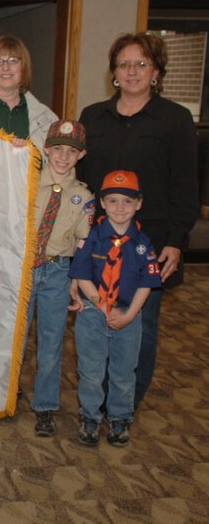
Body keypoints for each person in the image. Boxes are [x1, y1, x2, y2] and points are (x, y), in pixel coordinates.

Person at [77, 33, 199, 410]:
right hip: (99, 242)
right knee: (96, 323)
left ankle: (124, 405)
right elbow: (79, 183)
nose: (132, 72)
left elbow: (185, 186)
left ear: (156, 72)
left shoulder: (175, 119)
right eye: (124, 64)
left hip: (149, 243)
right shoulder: (92, 116)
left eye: (141, 64)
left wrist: (176, 241)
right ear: (113, 72)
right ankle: (96, 400)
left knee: (138, 327)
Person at [69, 170, 162, 447]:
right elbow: (82, 274)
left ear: (139, 204)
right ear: (102, 203)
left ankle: (120, 418)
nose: (120, 208)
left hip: (128, 316)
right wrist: (102, 305)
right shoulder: (93, 237)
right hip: (93, 312)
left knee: (124, 370)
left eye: (127, 201)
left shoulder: (144, 244)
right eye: (112, 201)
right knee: (91, 369)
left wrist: (131, 314)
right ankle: (90, 417)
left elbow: (147, 283)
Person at [27, 120, 95, 437]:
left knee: (52, 342)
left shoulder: (83, 198)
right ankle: (1, 398)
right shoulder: (27, 183)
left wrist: (76, 279)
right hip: (25, 269)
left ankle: (45, 406)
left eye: (71, 151)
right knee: (13, 338)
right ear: (46, 150)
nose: (63, 157)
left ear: (80, 156)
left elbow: (83, 243)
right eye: (58, 150)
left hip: (57, 271)